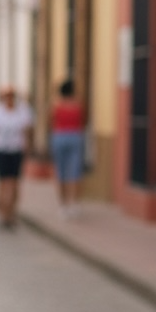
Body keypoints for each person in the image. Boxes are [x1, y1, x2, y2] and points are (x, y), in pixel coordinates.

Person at [0, 86, 33, 228]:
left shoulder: (22, 111)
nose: (9, 99)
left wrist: (27, 148)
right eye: (7, 96)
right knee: (2, 183)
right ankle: (2, 213)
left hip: (16, 150)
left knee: (14, 183)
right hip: (1, 150)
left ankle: (11, 212)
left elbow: (27, 131)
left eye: (12, 96)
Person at [50, 79, 86, 219]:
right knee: (75, 172)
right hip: (75, 137)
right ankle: (74, 204)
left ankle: (63, 205)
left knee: (61, 172)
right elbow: (83, 120)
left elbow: (51, 120)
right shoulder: (78, 105)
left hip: (59, 136)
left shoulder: (56, 104)